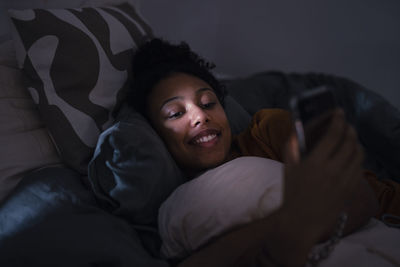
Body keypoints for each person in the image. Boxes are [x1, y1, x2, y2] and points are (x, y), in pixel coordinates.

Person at [127, 38, 400, 266]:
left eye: (209, 103)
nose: (200, 115)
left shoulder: (267, 128)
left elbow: (362, 200)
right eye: (176, 113)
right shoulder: (184, 210)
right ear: (155, 134)